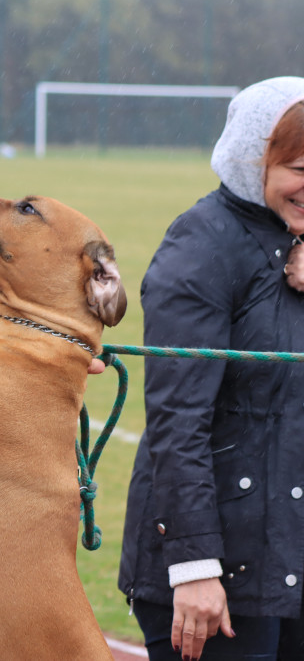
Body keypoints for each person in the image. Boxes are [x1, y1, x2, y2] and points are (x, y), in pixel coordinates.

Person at [118, 76, 304, 661]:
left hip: (289, 562)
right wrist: (194, 567)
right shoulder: (200, 248)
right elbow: (178, 422)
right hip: (215, 578)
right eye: (300, 168)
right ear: (254, 159)